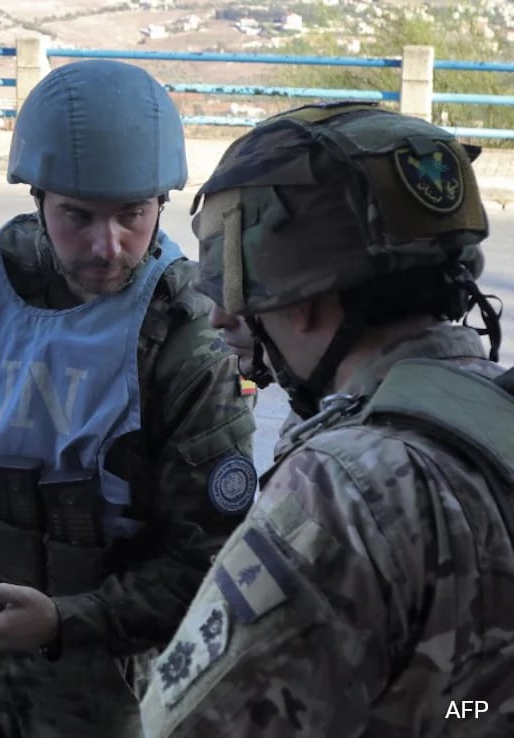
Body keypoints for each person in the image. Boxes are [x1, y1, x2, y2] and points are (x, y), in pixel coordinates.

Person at [0, 59, 258, 738]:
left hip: (104, 688)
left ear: (162, 200)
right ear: (36, 198)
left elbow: (209, 564)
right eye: (78, 215)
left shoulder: (184, 333)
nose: (108, 246)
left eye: (134, 214)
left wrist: (65, 621)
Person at [140, 102, 514, 736]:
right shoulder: (490, 418)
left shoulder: (343, 488)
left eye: (239, 287)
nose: (225, 318)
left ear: (307, 301)